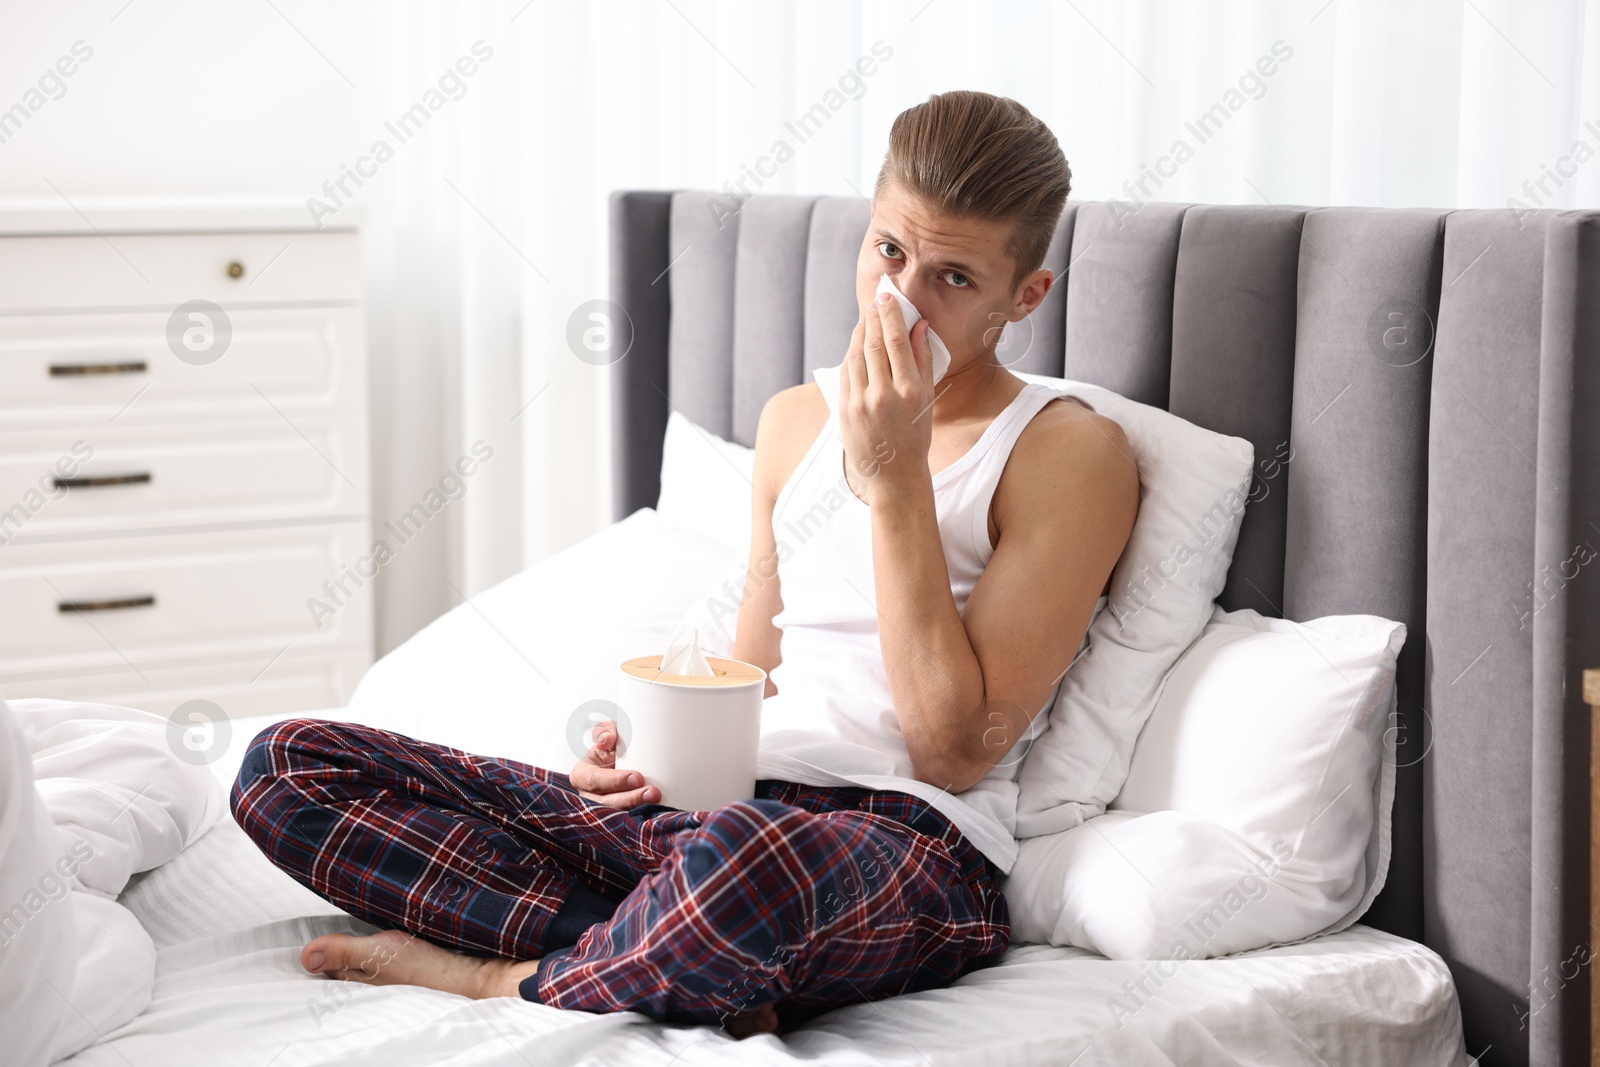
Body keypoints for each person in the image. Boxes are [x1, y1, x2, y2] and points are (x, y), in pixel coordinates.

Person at [231, 89, 1138, 1039]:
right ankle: (677, 953)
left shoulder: (1067, 453)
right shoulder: (793, 421)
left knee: (750, 868)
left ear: (1023, 296)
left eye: (954, 278)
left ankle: (503, 977)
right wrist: (646, 757)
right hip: (711, 823)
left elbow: (954, 750)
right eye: (889, 252)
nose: (902, 300)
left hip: (898, 849)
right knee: (288, 764)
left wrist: (895, 480)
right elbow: (752, 684)